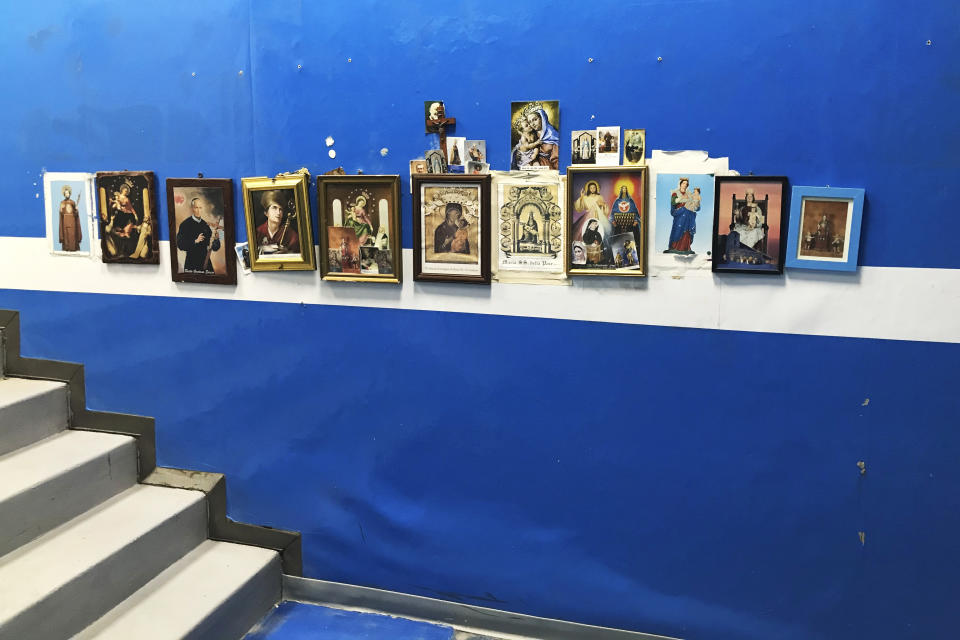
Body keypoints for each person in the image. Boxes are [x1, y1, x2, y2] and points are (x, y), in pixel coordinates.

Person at [255, 190, 300, 254]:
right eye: (274, 208)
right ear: (266, 213)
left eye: (280, 209)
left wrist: (288, 252)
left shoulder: (291, 235)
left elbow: (299, 255)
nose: (278, 213)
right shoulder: (258, 232)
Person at [105, 179, 141, 258]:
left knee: (129, 229)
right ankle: (120, 248)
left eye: (126, 191)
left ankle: (127, 249)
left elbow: (131, 208)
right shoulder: (118, 197)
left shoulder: (127, 199)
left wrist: (135, 215)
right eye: (124, 190)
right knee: (119, 232)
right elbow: (114, 204)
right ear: (121, 190)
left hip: (127, 215)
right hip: (119, 215)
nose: (125, 192)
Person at [666, 178, 700, 254]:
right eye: (683, 183)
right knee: (677, 230)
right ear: (680, 184)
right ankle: (674, 247)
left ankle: (686, 248)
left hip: (688, 216)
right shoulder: (675, 193)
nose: (685, 185)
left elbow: (695, 206)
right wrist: (682, 208)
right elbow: (673, 207)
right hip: (679, 215)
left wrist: (697, 204)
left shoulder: (689, 194)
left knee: (687, 232)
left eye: (686, 184)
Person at [58, 185, 82, 251]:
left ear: (70, 193)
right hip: (65, 223)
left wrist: (77, 210)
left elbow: (76, 214)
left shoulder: (73, 202)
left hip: (73, 223)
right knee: (66, 238)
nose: (67, 194)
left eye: (68, 193)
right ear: (64, 194)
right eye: (65, 193)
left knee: (72, 237)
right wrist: (61, 210)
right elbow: (61, 214)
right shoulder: (62, 203)